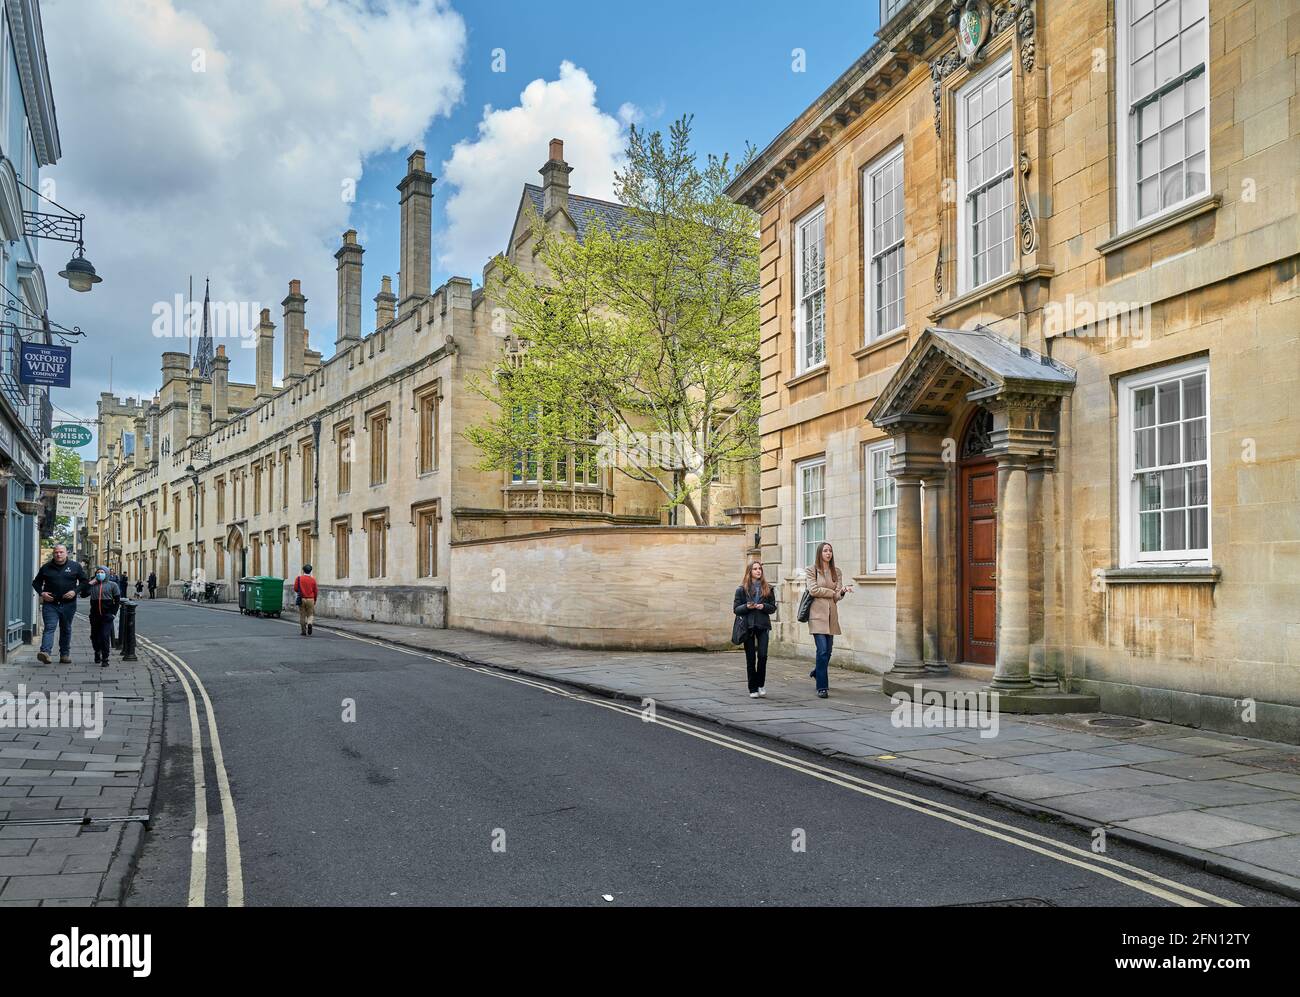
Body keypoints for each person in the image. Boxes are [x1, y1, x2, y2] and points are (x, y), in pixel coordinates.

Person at [805, 541, 851, 698]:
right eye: (825, 550)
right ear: (820, 553)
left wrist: (842, 591)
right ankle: (822, 687)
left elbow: (837, 596)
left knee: (828, 651)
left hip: (831, 615)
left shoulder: (836, 571)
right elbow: (813, 590)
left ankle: (817, 672)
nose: (828, 553)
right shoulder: (811, 570)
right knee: (822, 650)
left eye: (830, 551)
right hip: (816, 615)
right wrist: (832, 592)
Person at [31, 544, 88, 664]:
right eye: (56, 552)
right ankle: (45, 652)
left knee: (66, 629)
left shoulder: (75, 566)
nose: (58, 554)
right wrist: (42, 593)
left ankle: (64, 655)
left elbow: (84, 581)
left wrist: (75, 591)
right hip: (50, 604)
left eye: (61, 552)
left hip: (69, 604)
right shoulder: (46, 567)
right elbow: (36, 583)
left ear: (66, 553)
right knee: (50, 627)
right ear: (53, 554)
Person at [733, 560, 777, 698]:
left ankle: (760, 685)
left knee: (763, 656)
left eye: (760, 569)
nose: (758, 571)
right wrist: (747, 606)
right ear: (749, 571)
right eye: (755, 569)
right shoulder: (741, 589)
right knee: (751, 658)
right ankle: (752, 688)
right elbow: (736, 609)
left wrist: (763, 606)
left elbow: (773, 608)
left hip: (763, 625)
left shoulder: (768, 588)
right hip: (748, 627)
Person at [82, 566, 122, 667]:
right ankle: (97, 651)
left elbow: (117, 600)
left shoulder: (113, 585)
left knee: (104, 636)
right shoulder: (93, 585)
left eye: (102, 572)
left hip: (107, 616)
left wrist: (113, 613)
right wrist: (90, 583)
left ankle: (105, 658)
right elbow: (83, 594)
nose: (100, 574)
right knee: (94, 637)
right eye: (98, 572)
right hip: (94, 616)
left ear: (107, 573)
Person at [293, 564, 318, 636]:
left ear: (303, 570)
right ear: (310, 571)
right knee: (310, 614)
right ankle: (309, 623)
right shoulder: (313, 580)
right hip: (311, 599)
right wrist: (315, 599)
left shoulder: (299, 578)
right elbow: (315, 591)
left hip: (302, 598)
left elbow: (295, 588)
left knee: (302, 615)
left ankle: (303, 631)